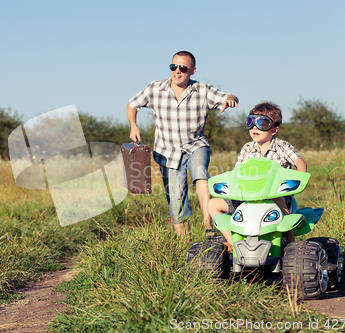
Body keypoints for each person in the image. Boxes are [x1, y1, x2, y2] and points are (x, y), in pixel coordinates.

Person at [127, 50, 239, 237]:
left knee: (201, 175)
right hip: (167, 152)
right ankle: (183, 244)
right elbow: (132, 104)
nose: (177, 71)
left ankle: (207, 225)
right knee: (176, 199)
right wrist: (133, 126)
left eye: (183, 68)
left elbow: (228, 97)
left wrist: (231, 99)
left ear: (192, 70)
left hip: (195, 145)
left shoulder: (202, 90)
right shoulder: (155, 88)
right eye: (173, 66)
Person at [207, 101, 307, 248]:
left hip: (275, 195)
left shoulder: (282, 147)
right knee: (212, 204)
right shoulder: (247, 148)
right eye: (251, 122)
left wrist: (300, 176)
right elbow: (237, 172)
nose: (255, 127)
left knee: (278, 199)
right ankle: (233, 243)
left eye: (262, 123)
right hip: (248, 196)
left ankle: (291, 246)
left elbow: (300, 162)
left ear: (274, 129)